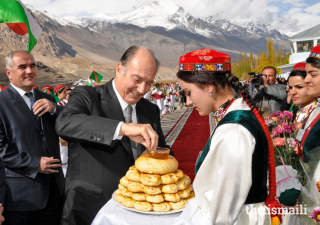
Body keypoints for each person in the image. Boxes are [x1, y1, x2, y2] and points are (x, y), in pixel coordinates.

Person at [56, 46, 169, 225]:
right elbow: (65, 123)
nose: (142, 89)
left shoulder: (150, 109)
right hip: (88, 209)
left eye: (149, 83)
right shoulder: (87, 95)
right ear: (119, 69)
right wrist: (122, 128)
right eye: (137, 79)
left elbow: (161, 150)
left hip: (135, 211)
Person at [176, 48, 280, 225]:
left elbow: (222, 214)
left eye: (188, 92)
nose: (188, 102)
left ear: (209, 86)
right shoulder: (236, 115)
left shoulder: (234, 130)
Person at [0, 50, 64, 225]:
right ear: (8, 73)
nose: (29, 71)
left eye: (32, 66)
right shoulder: (1, 102)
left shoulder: (47, 99)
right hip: (21, 199)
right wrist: (35, 164)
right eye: (22, 67)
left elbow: (70, 126)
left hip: (54, 193)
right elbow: (1, 151)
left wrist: (55, 109)